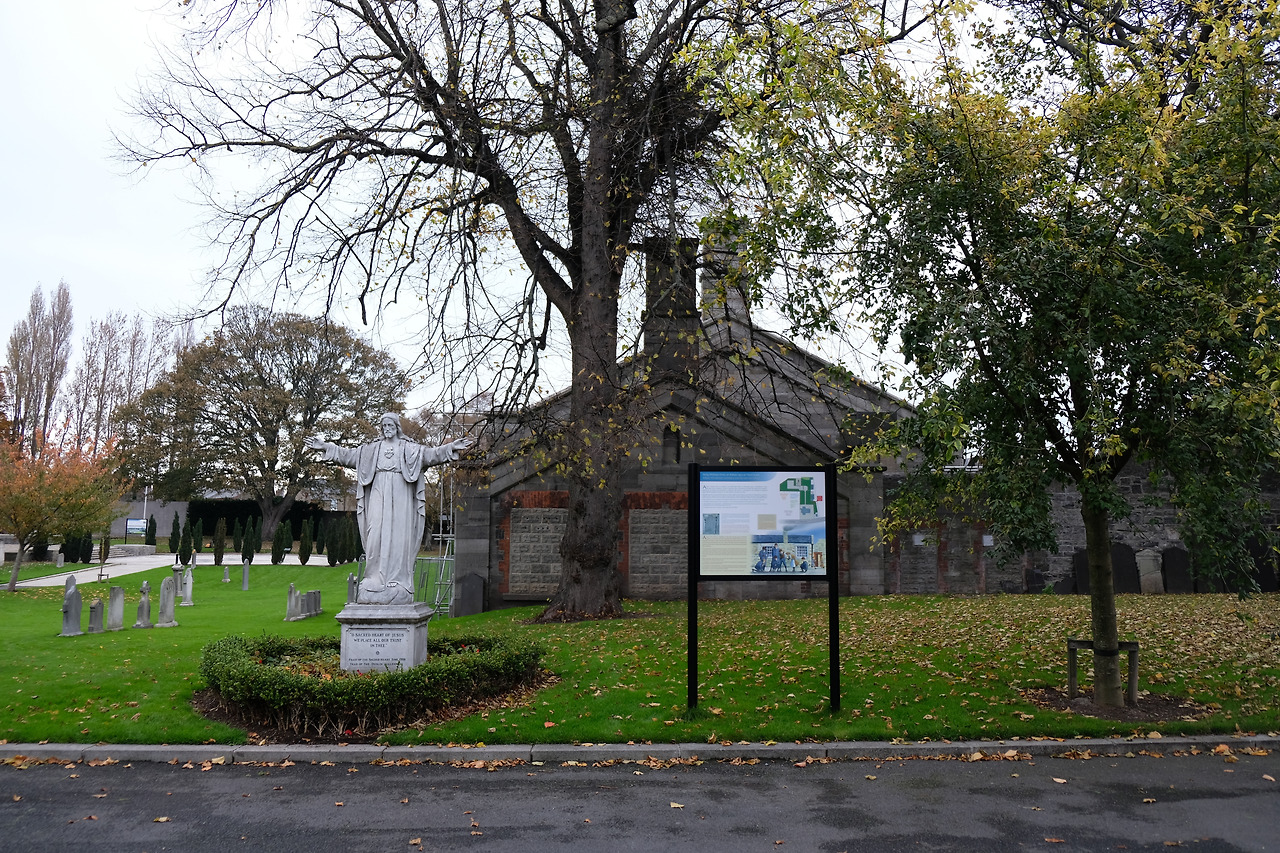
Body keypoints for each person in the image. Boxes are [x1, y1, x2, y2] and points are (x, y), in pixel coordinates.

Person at [306, 414, 472, 606]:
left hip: (401, 495)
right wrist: (326, 446)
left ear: (396, 426)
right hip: (377, 493)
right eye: (384, 425)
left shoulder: (408, 448)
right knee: (375, 532)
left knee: (398, 537)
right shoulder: (371, 449)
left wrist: (450, 448)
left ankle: (398, 581)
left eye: (390, 424)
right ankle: (373, 579)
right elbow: (348, 456)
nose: (387, 428)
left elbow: (430, 455)